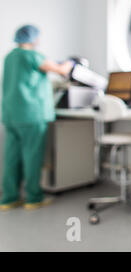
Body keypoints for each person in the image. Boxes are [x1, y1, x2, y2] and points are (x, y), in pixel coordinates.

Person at [0, 25, 73, 210]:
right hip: (31, 114)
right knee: (32, 157)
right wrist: (70, 63)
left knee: (12, 158)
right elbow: (61, 70)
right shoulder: (32, 55)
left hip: (11, 114)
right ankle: (33, 198)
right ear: (33, 39)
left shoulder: (10, 57)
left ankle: (9, 198)